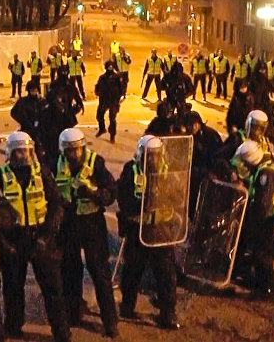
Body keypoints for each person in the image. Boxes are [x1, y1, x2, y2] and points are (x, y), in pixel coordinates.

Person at [0, 132, 71, 341]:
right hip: (15, 239)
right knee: (12, 288)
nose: (22, 156)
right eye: (17, 151)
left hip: (40, 236)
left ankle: (61, 332)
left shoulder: (41, 172)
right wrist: (3, 242)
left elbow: (56, 204)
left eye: (25, 151)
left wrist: (47, 236)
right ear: (10, 152)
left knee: (53, 288)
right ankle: (14, 327)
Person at [53, 128, 118, 337]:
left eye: (77, 150)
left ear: (83, 148)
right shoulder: (56, 163)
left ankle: (110, 321)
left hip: (92, 223)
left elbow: (111, 192)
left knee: (100, 272)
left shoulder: (95, 163)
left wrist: (94, 193)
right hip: (69, 223)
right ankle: (73, 313)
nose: (74, 155)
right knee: (70, 270)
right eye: (70, 151)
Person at [117, 136, 180, 329]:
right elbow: (124, 200)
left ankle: (167, 314)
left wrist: (165, 200)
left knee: (166, 274)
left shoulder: (168, 172)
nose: (152, 159)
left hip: (160, 230)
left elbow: (179, 195)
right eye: (149, 155)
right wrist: (143, 204)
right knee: (132, 271)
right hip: (138, 230)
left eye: (155, 155)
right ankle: (127, 307)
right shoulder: (131, 170)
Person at [234, 140, 274, 300]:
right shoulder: (263, 169)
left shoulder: (265, 175)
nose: (244, 167)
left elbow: (263, 206)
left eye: (245, 163)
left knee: (262, 252)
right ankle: (255, 278)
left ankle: (268, 289)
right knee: (256, 246)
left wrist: (251, 222)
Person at [11, 80, 49, 147]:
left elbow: (47, 113)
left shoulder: (42, 101)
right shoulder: (23, 101)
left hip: (40, 130)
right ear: (28, 90)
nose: (34, 91)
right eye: (32, 89)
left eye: (35, 89)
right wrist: (23, 121)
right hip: (27, 129)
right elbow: (13, 112)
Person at [94, 60, 123, 144]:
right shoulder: (102, 78)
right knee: (99, 115)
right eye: (108, 66)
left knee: (112, 118)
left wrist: (118, 98)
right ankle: (102, 129)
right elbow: (97, 87)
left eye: (111, 66)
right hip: (104, 100)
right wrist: (98, 92)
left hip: (113, 100)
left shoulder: (116, 77)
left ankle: (112, 135)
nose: (110, 68)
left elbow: (121, 89)